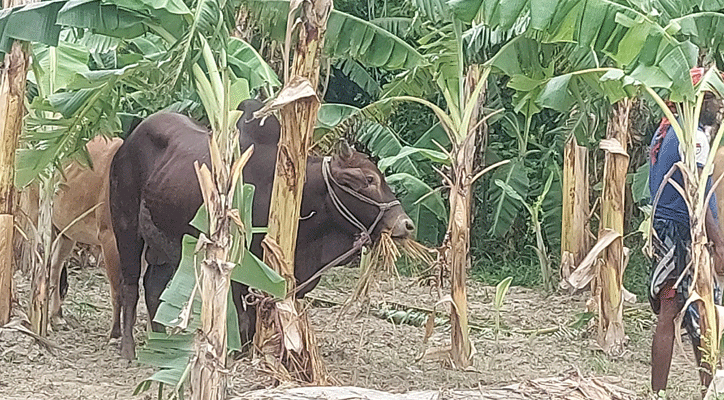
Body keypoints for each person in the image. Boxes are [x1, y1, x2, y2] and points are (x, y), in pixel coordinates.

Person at [648, 67, 724, 397]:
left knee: (696, 311)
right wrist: (717, 241)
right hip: (680, 232)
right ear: (697, 98)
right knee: (675, 311)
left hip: (669, 228)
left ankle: (707, 389)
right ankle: (661, 393)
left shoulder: (666, 131)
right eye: (712, 96)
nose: (718, 103)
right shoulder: (690, 135)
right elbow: (696, 194)